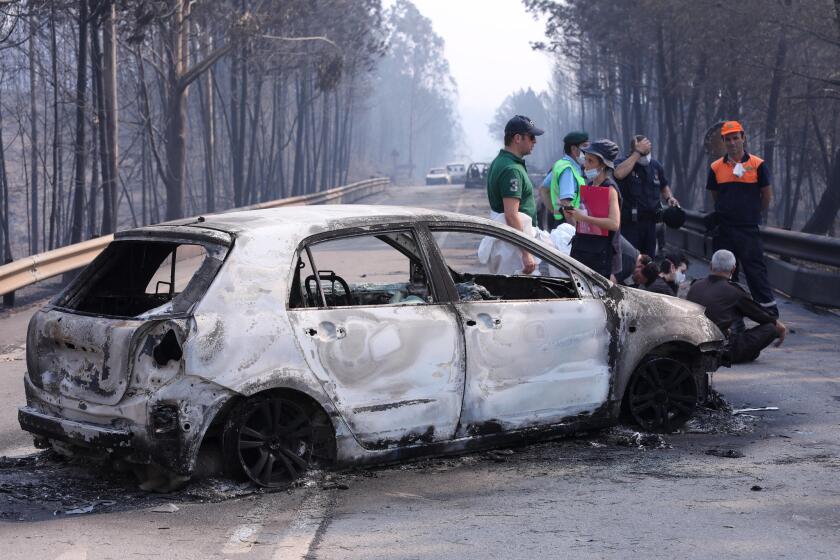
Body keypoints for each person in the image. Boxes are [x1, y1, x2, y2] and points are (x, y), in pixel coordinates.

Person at [707, 120, 778, 317]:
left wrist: (753, 213)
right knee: (725, 273)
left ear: (743, 138)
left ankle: (769, 313)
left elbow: (766, 196)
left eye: (735, 138)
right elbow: (715, 195)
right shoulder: (715, 167)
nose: (732, 143)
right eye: (728, 139)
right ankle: (728, 313)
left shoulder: (758, 165)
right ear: (723, 141)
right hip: (724, 228)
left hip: (747, 228)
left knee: (755, 270)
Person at [687, 249, 787, 364]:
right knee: (770, 328)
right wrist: (780, 327)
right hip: (719, 350)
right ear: (733, 269)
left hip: (692, 344)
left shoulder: (695, 285)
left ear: (710, 266)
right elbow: (761, 316)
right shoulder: (734, 291)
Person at [486, 115, 544, 274]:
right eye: (531, 137)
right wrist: (526, 253)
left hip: (511, 242)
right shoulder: (511, 169)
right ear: (518, 138)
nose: (535, 142)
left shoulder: (502, 161)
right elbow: (511, 214)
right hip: (514, 249)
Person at [562, 139, 622, 279]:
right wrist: (572, 215)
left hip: (600, 258)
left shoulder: (610, 188)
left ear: (603, 166)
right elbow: (585, 225)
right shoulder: (590, 186)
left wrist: (583, 217)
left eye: (591, 161)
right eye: (586, 160)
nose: (585, 165)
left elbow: (614, 223)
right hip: (584, 252)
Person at [614, 135, 679, 257]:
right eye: (642, 153)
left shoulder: (655, 166)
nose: (645, 157)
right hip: (630, 224)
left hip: (650, 224)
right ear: (633, 151)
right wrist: (637, 154)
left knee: (649, 261)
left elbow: (664, 186)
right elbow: (618, 174)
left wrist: (669, 198)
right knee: (631, 259)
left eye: (647, 152)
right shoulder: (624, 163)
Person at [539, 131, 589, 230]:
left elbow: (543, 189)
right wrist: (574, 228)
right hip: (569, 223)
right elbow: (566, 203)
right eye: (585, 147)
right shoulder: (568, 170)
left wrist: (555, 211)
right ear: (574, 149)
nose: (588, 151)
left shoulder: (561, 164)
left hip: (561, 221)